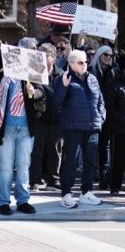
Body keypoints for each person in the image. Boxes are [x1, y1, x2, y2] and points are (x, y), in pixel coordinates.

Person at [0, 38, 46, 216]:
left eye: (34, 49)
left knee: (23, 165)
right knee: (6, 167)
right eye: (29, 49)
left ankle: (23, 201)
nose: (32, 52)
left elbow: (42, 93)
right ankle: (3, 202)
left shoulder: (33, 70)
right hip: (6, 126)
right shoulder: (4, 70)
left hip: (25, 127)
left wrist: (34, 92)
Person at [55, 49, 106, 208]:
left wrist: (101, 117)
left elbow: (100, 101)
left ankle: (86, 192)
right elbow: (56, 102)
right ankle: (66, 194)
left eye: (86, 61)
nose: (85, 64)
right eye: (81, 62)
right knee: (70, 161)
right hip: (73, 127)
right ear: (71, 63)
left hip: (92, 127)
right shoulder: (63, 79)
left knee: (90, 161)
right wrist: (63, 87)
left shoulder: (92, 78)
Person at [30, 43, 63, 191]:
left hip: (56, 120)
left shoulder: (62, 75)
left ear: (53, 58)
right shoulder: (35, 73)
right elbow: (36, 92)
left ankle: (53, 180)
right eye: (40, 54)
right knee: (37, 151)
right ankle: (35, 179)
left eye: (45, 55)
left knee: (55, 151)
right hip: (39, 119)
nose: (41, 58)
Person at [89, 45, 118, 190]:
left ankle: (104, 174)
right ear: (99, 55)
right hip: (93, 113)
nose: (108, 57)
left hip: (109, 114)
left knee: (105, 145)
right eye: (106, 55)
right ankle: (91, 173)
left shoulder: (114, 71)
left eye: (111, 56)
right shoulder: (91, 71)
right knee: (92, 144)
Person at [109, 54, 125, 195]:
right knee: (119, 158)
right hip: (120, 129)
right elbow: (111, 108)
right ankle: (115, 186)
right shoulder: (116, 84)